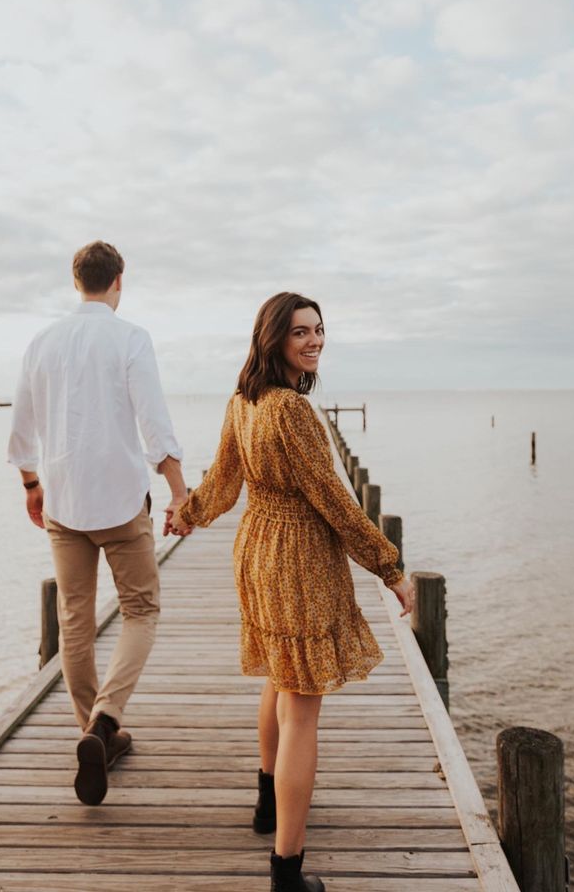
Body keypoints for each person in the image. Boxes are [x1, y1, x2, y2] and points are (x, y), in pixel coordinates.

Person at [167, 292, 414, 892]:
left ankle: (266, 803)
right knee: (302, 708)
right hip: (297, 560)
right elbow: (336, 502)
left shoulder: (244, 402)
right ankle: (286, 870)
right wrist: (391, 568)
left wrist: (189, 512)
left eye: (319, 330)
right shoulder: (292, 412)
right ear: (272, 337)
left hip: (255, 551)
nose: (314, 341)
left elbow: (223, 481)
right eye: (300, 332)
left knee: (280, 676)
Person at [7, 240, 190, 806]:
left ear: (75, 280)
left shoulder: (42, 341)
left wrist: (32, 486)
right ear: (119, 280)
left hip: (63, 500)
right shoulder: (130, 337)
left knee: (75, 621)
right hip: (118, 497)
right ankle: (106, 722)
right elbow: (154, 423)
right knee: (141, 609)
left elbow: (22, 427)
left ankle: (92, 729)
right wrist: (180, 493)